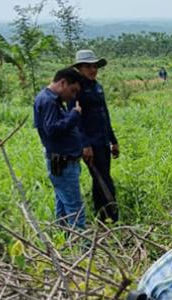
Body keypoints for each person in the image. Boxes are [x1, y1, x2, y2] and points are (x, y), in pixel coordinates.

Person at [33, 67, 86, 229]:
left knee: (63, 204)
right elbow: (53, 130)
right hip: (62, 161)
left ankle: (64, 238)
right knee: (75, 208)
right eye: (72, 90)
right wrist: (74, 114)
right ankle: (82, 247)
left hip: (61, 160)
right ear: (62, 83)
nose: (73, 95)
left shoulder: (52, 100)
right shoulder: (48, 101)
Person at [73, 49, 120, 223]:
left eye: (94, 66)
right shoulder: (76, 89)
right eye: (88, 67)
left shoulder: (97, 86)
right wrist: (85, 145)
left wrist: (113, 140)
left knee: (102, 177)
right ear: (79, 68)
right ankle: (111, 217)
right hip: (89, 144)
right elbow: (75, 120)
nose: (93, 70)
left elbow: (104, 115)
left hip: (102, 140)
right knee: (102, 179)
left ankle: (103, 216)